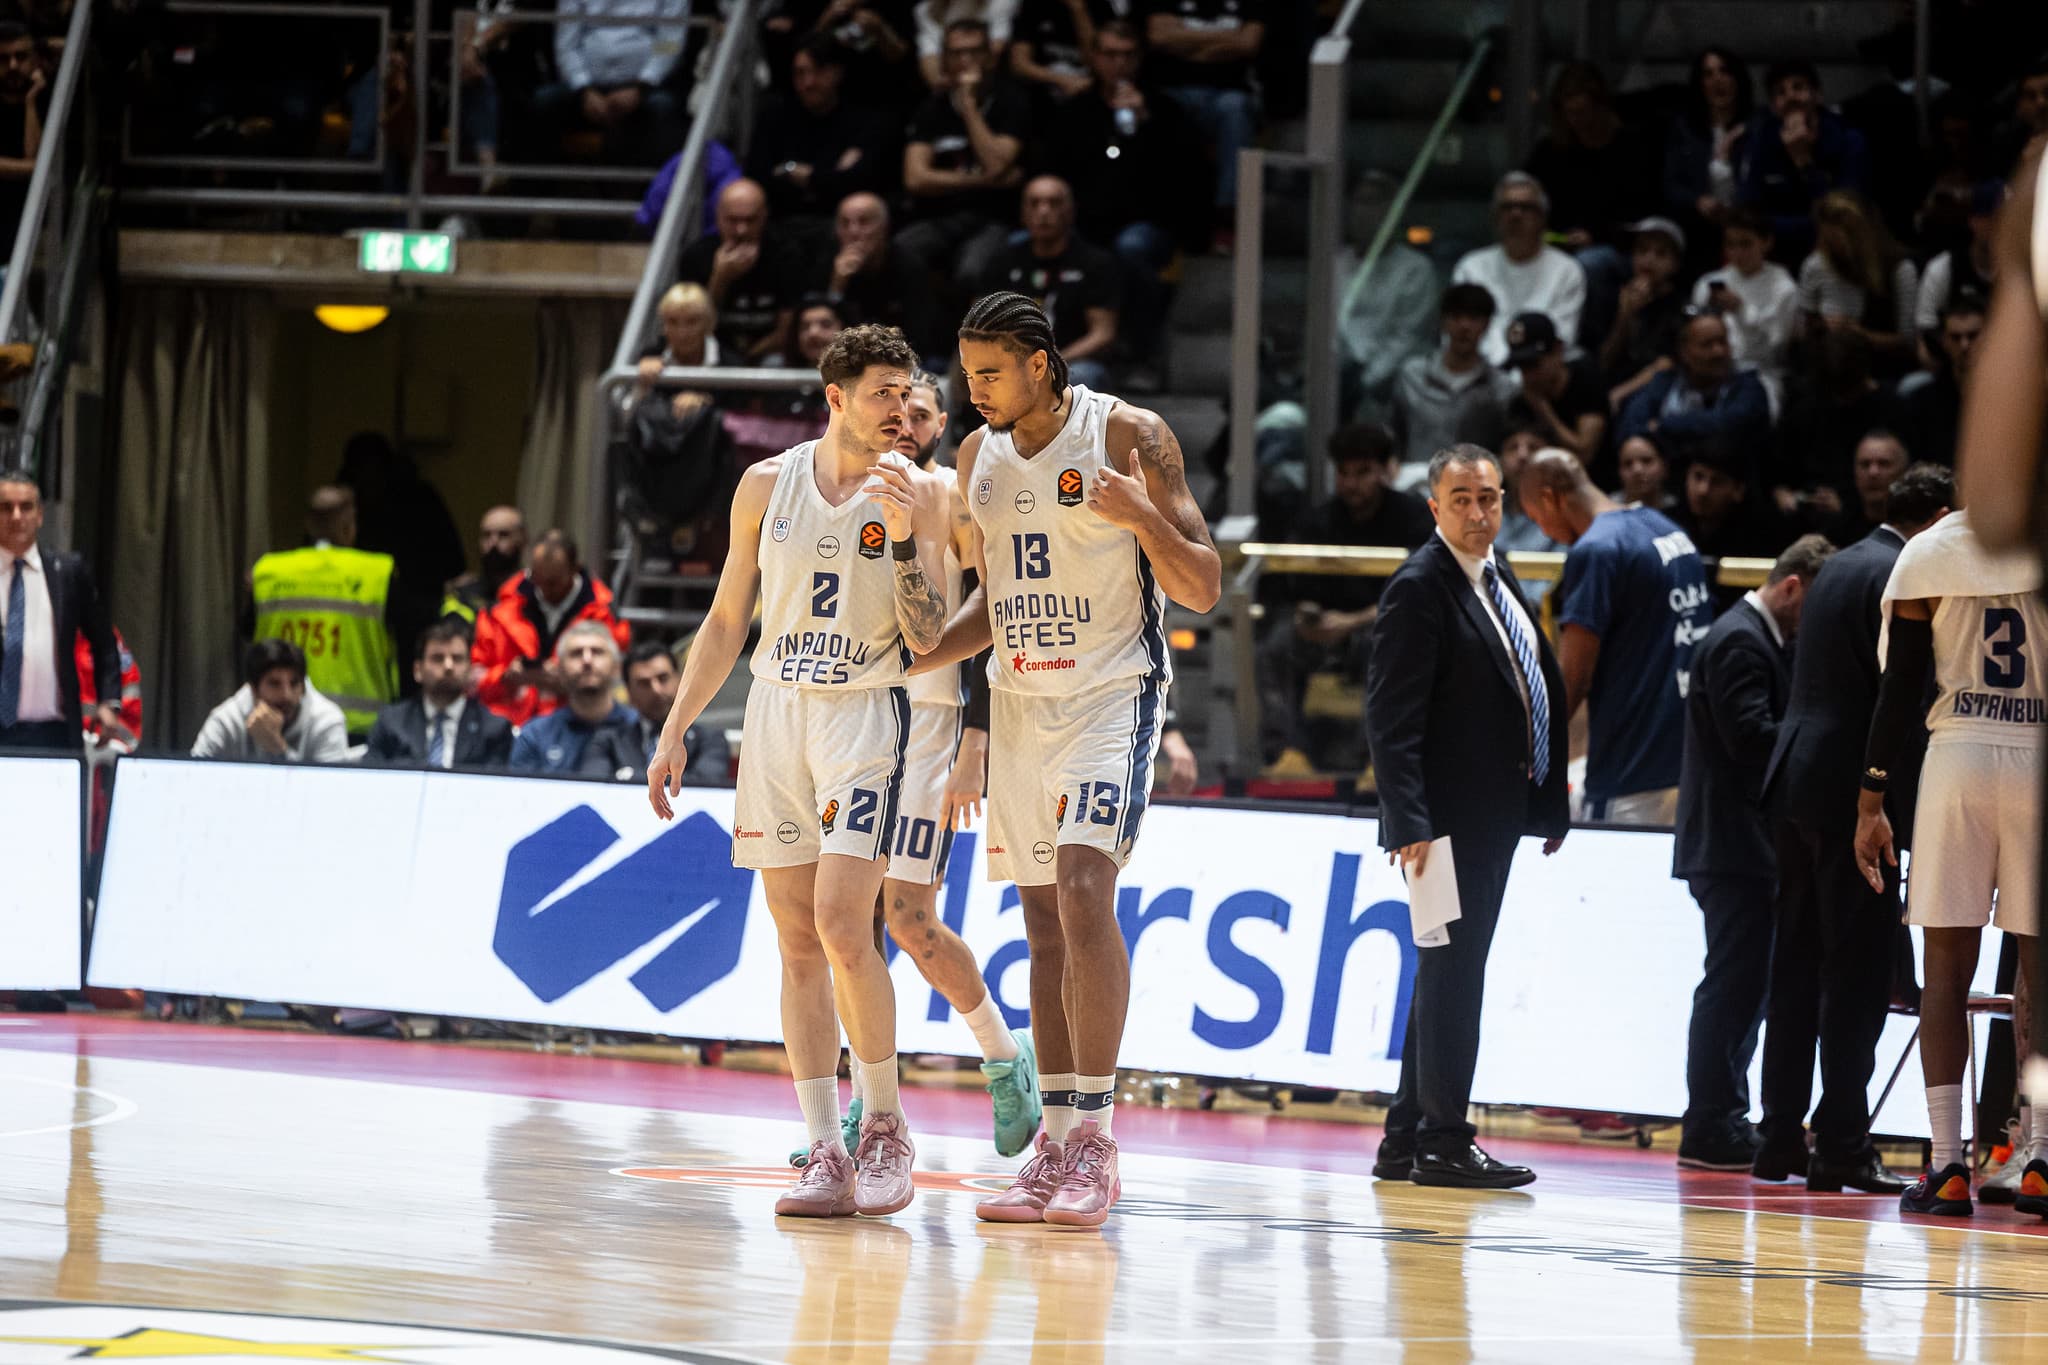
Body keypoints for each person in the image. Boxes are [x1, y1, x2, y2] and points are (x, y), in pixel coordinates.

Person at [921, 291, 1220, 1226]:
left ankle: (1096, 1137)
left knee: (1088, 887)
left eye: (991, 373)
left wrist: (1141, 516)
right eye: (967, 375)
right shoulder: (978, 457)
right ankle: (1053, 1143)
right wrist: (920, 653)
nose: (974, 393)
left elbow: (1203, 584)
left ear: (1042, 364)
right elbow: (995, 604)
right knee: (1043, 927)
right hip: (1018, 705)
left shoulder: (1129, 434)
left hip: (1111, 695)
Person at [646, 323, 951, 1219]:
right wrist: (676, 727)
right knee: (792, 936)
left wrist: (900, 541)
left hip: (867, 708)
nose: (901, 408)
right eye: (883, 393)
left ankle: (884, 1123)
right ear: (837, 398)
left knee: (841, 922)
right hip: (775, 712)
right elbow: (726, 617)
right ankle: (824, 1144)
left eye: (908, 393)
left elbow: (931, 632)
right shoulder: (763, 485)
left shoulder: (924, 493)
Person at [825, 367, 1043, 1162]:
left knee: (909, 920)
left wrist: (977, 740)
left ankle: (1001, 1055)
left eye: (919, 412)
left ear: (941, 419)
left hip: (932, 723)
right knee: (845, 922)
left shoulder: (952, 495)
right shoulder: (843, 489)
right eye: (893, 408)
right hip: (852, 718)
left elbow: (998, 612)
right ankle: (866, 1100)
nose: (905, 422)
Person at [1364, 444, 1570, 1188]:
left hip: (1492, 813)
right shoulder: (1420, 587)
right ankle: (1445, 1139)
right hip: (1443, 822)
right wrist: (1408, 821)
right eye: (1463, 500)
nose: (1480, 512)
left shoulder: (1496, 571)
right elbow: (1390, 718)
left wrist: (1546, 800)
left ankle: (1405, 1136)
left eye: (1490, 498)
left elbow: (1527, 684)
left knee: (1447, 971)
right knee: (1454, 974)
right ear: (1434, 507)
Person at [1753, 461, 1952, 1193]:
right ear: (1935, 519)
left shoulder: (1837, 562)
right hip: (1852, 794)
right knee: (1858, 971)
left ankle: (1777, 1139)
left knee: (1795, 964)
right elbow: (1897, 700)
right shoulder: (1900, 573)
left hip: (1797, 777)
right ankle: (1840, 1142)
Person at [1856, 511, 2043, 1217]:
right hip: (2038, 747)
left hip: (1958, 751)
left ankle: (1946, 1166)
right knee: (2040, 971)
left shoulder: (1930, 551)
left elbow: (1899, 685)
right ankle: (2041, 1157)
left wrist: (1871, 795)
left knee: (1946, 968)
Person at [1948, 132, 2048, 1202]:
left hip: (1971, 757)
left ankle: (1978, 1149)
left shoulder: (1936, 554)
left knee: (1966, 971)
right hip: (2006, 759)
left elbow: (1993, 504)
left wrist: (2020, 264)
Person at [1673, 534, 1833, 1170]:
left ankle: (1720, 1117)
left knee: (1743, 986)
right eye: (1814, 608)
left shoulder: (1748, 635)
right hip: (1731, 845)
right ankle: (1711, 1122)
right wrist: (1823, 751)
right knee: (1733, 986)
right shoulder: (1741, 639)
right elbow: (1753, 742)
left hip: (1734, 844)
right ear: (1793, 588)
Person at [1519, 448, 1712, 825]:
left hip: (1630, 773)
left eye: (1535, 517)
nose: (1543, 530)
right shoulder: (1667, 528)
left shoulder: (1597, 551)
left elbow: (1574, 680)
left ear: (1549, 498)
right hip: (1691, 762)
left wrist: (1531, 753)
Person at [1255, 424, 1433, 769]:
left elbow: (1420, 591)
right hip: (1327, 629)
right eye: (1344, 473)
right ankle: (1286, 753)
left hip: (1382, 625)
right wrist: (1306, 615)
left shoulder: (1415, 518)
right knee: (1275, 646)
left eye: (1363, 472)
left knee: (1387, 646)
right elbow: (1289, 584)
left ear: (1385, 470)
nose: (1352, 484)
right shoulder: (1317, 520)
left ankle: (1376, 761)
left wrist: (1353, 620)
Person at [248, 485, 405, 740]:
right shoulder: (378, 574)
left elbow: (247, 632)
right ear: (348, 524)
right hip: (357, 727)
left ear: (308, 525)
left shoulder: (268, 572)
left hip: (280, 717)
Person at [898, 20, 1031, 305]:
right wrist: (984, 180)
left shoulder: (1012, 102)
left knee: (974, 267)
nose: (966, 61)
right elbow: (915, 178)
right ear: (945, 59)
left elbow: (996, 162)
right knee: (901, 251)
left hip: (994, 218)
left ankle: (969, 348)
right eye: (957, 53)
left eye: (974, 52)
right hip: (940, 217)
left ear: (990, 56)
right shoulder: (931, 108)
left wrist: (969, 107)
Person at [0, 470, 118, 752]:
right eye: (5, 507)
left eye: (26, 507)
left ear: (40, 515)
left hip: (54, 733)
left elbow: (105, 642)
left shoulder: (68, 573)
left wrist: (108, 702)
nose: (16, 516)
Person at [472, 530, 631, 727]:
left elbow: (616, 683)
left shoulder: (605, 614)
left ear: (575, 570)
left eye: (553, 582)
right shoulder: (500, 608)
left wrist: (567, 679)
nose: (544, 587)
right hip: (505, 725)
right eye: (536, 578)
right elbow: (474, 678)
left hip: (580, 726)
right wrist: (506, 676)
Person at [748, 34, 901, 240]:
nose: (808, 82)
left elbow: (858, 182)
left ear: (837, 72)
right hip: (782, 221)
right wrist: (825, 175)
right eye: (800, 73)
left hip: (842, 225)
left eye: (818, 71)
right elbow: (758, 177)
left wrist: (788, 170)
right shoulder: (774, 116)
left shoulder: (865, 120)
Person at [1141, 0, 1263, 252]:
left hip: (1228, 91)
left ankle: (1226, 216)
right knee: (1160, 111)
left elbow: (1247, 43)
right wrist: (1225, 39)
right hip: (1172, 91)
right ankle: (1170, 218)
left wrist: (1184, 40)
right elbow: (1158, 37)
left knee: (1235, 110)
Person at [980, 175, 1121, 389]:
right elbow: (979, 326)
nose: (1044, 212)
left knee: (1083, 376)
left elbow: (1102, 334)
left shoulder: (1095, 263)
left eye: (1054, 203)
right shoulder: (1002, 261)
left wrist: (1051, 362)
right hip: (1012, 362)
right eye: (1034, 203)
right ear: (1023, 212)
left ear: (1071, 211)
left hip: (1072, 360)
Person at [1738, 59, 1870, 265]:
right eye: (1780, 92)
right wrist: (1809, 226)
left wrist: (1802, 160)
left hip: (1837, 250)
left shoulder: (1848, 139)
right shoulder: (1762, 140)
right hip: (1776, 251)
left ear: (1817, 96)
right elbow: (1750, 213)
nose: (1790, 97)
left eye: (1798, 87)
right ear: (1774, 107)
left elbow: (1843, 215)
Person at [1451, 172, 1587, 367]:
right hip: (1480, 381)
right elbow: (1460, 336)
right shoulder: (1470, 267)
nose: (1516, 214)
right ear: (1495, 218)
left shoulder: (1567, 270)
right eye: (1507, 207)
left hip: (1540, 379)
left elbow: (1561, 340)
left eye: (1527, 207)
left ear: (1543, 218)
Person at [1389, 284, 1516, 485]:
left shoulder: (1502, 388)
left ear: (1486, 325)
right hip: (1415, 488)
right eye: (1456, 317)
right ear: (1443, 322)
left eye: (1474, 319)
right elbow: (1394, 434)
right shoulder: (1411, 376)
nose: (1464, 326)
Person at [542, 0, 689, 163]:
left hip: (647, 86)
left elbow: (670, 43)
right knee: (545, 101)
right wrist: (584, 90)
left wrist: (642, 86)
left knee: (662, 107)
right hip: (585, 87)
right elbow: (566, 45)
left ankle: (652, 185)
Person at [678, 179, 802, 364]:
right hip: (713, 352)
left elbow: (789, 330)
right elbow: (691, 328)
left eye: (750, 220)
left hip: (770, 352)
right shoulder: (696, 256)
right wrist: (720, 279)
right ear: (718, 217)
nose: (741, 230)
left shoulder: (786, 254)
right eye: (733, 220)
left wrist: (744, 360)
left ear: (764, 216)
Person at [1613, 310, 1772, 453]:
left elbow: (1729, 424)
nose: (1719, 351)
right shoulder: (1665, 382)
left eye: (1723, 342)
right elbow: (1629, 429)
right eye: (1707, 345)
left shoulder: (1749, 386)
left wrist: (1664, 426)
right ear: (1684, 352)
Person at [363, 620, 514, 770]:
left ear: (470, 670)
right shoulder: (391, 723)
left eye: (457, 658)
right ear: (418, 670)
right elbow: (371, 781)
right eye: (437, 658)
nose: (448, 666)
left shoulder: (494, 730)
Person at [1797, 191, 1918, 375]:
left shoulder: (1899, 269)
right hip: (1827, 367)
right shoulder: (1816, 264)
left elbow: (1908, 341)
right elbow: (1805, 325)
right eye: (1830, 242)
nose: (1837, 251)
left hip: (1882, 369)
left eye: (1842, 243)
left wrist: (1862, 335)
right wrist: (1823, 326)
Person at [1691, 207, 1799, 411]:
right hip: (1711, 370)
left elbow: (1777, 347)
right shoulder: (1709, 283)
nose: (1737, 253)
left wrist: (1741, 310)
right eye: (1731, 245)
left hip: (1762, 373)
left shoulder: (1784, 288)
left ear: (1766, 242)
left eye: (1745, 244)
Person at [509, 622, 641, 776]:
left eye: (597, 652)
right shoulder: (535, 735)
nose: (587, 660)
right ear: (559, 670)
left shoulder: (641, 730)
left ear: (616, 668)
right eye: (576, 653)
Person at [191, 639, 349, 763]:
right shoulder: (227, 720)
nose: (286, 695)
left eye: (294, 683)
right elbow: (193, 774)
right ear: (253, 689)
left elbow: (327, 794)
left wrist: (279, 750)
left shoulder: (328, 721)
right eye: (274, 684)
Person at [1497, 312, 1608, 466]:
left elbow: (1585, 453)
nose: (1527, 376)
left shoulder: (1585, 380)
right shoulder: (1522, 402)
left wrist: (1544, 411)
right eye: (1521, 367)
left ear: (1557, 350)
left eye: (1533, 365)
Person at [1892, 292, 1985, 470]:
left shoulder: (2014, 399)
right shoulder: (1920, 403)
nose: (1964, 345)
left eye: (1973, 336)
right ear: (1944, 341)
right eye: (1955, 337)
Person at [622, 639, 729, 781]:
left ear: (680, 680)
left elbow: (705, 784)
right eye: (644, 683)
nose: (656, 690)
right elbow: (593, 783)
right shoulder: (609, 741)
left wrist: (630, 776)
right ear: (629, 692)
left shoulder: (710, 740)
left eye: (663, 678)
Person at [443, 506, 529, 625]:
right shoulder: (463, 593)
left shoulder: (533, 593)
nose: (493, 542)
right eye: (486, 535)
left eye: (503, 535)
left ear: (522, 540)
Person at [1826, 428, 1908, 548]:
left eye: (1884, 464)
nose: (1873, 472)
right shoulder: (1833, 537)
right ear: (1854, 472)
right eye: (1865, 464)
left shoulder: (1920, 534)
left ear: (1904, 472)